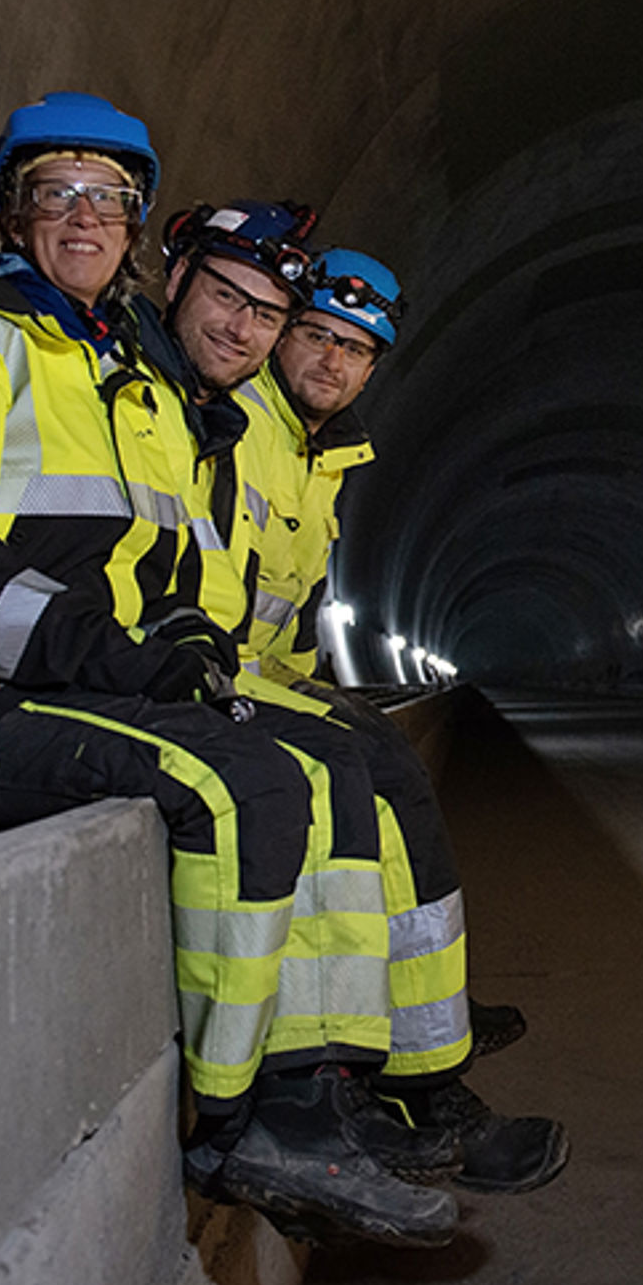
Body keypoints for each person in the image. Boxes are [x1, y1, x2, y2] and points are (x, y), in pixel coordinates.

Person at [0, 92, 461, 1248]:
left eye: (109, 199)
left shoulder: (116, 376)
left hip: (56, 683)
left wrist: (169, 640)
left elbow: (149, 557)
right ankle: (233, 1127)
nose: (83, 218)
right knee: (243, 786)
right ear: (8, 212)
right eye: (55, 193)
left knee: (312, 763)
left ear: (134, 227)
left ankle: (319, 1091)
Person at [233, 249, 554, 1161]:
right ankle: (371, 1076)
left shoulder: (316, 450)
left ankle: (427, 1029)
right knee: (342, 788)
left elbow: (289, 616)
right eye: (318, 338)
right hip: (206, 677)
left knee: (389, 774)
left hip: (260, 676)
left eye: (358, 351)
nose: (333, 364)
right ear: (280, 333)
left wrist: (321, 693)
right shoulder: (236, 417)